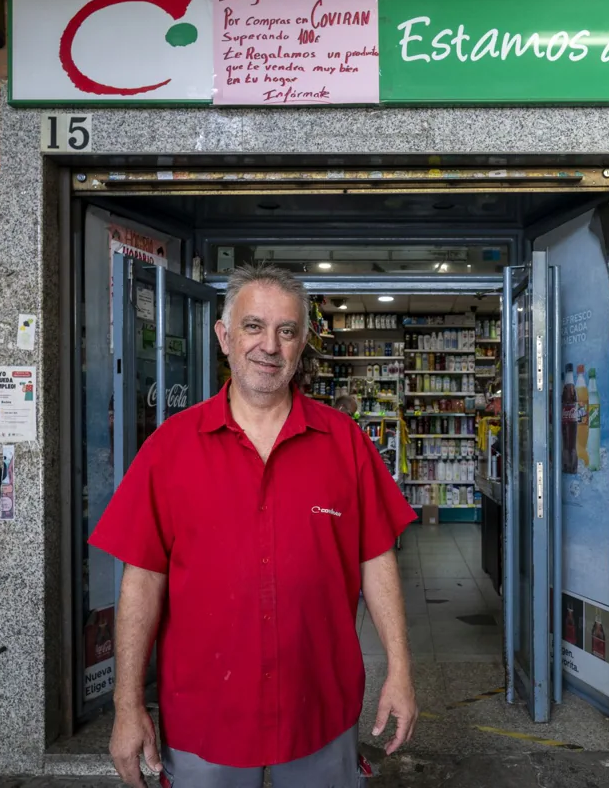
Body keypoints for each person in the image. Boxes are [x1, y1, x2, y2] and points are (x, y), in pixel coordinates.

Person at [90, 263, 418, 788]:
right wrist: (127, 704)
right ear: (223, 336)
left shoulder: (345, 443)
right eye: (253, 326)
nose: (270, 345)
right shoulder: (169, 450)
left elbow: (376, 559)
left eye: (286, 331)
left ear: (302, 342)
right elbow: (142, 581)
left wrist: (400, 670)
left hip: (320, 709)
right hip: (206, 717)